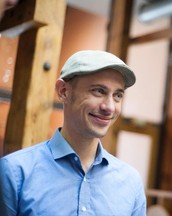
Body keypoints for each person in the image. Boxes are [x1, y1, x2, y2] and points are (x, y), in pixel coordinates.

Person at [0, 50, 147, 215]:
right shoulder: (15, 173)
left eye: (118, 95)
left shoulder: (131, 183)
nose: (110, 107)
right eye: (99, 91)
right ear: (63, 91)